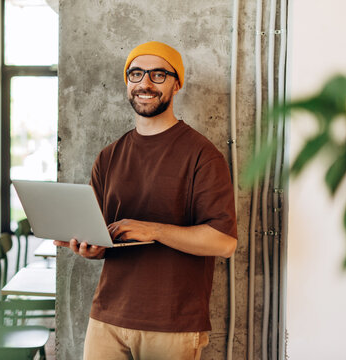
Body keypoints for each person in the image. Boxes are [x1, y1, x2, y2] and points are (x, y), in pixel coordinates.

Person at [54, 41, 237, 360]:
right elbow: (102, 234)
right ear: (127, 82)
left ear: (177, 83)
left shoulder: (202, 156)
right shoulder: (108, 156)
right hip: (107, 319)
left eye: (158, 74)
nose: (145, 84)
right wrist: (91, 249)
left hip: (172, 324)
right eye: (136, 74)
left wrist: (153, 230)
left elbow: (224, 243)